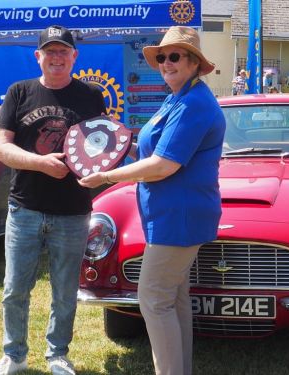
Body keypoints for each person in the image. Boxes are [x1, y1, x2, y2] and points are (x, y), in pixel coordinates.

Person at [79, 26, 226, 375]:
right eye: (162, 57)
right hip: (169, 216)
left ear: (193, 62)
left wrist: (107, 177)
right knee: (172, 299)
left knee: (153, 300)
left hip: (179, 218)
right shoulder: (177, 98)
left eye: (174, 56)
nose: (166, 63)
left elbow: (163, 166)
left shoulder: (194, 103)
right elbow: (153, 151)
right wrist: (115, 149)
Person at [0, 25, 106, 375]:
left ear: (74, 57)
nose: (56, 57)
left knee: (65, 291)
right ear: (37, 56)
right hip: (24, 208)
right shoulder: (19, 92)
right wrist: (40, 163)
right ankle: (14, 355)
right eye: (49, 51)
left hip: (73, 210)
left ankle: (58, 355)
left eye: (63, 51)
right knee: (13, 289)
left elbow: (102, 145)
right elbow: (0, 148)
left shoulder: (90, 96)